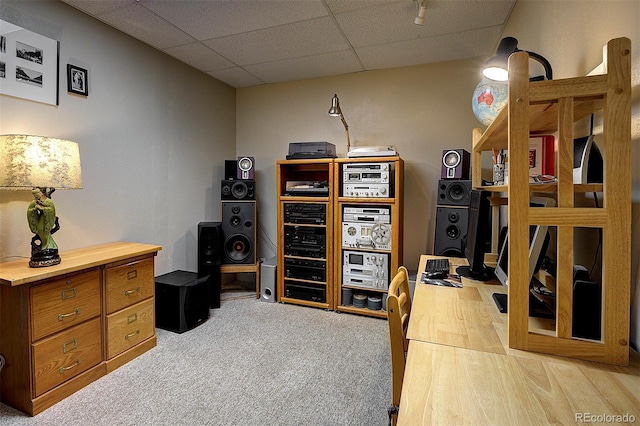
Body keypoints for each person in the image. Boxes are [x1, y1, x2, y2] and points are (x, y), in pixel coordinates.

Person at [27, 187, 60, 265]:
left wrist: (42, 208)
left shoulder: (48, 201)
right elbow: (29, 210)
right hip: (39, 218)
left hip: (45, 219)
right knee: (39, 229)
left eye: (37, 194)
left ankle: (49, 245)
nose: (36, 196)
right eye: (34, 195)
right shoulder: (34, 202)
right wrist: (34, 209)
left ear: (41, 193)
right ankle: (46, 245)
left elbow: (51, 209)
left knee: (43, 230)